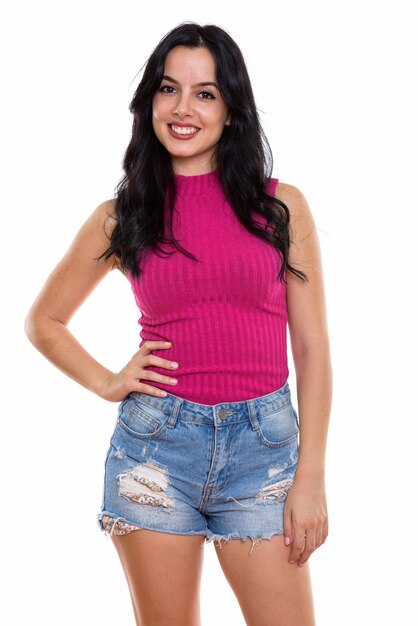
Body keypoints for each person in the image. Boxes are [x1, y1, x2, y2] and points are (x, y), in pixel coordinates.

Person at [25, 21, 332, 626]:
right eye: (169, 89)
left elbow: (314, 353)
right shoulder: (123, 215)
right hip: (156, 450)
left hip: (264, 449)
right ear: (150, 102)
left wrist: (311, 478)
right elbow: (45, 322)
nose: (183, 108)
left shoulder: (280, 207)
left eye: (205, 93)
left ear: (231, 109)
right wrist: (109, 381)